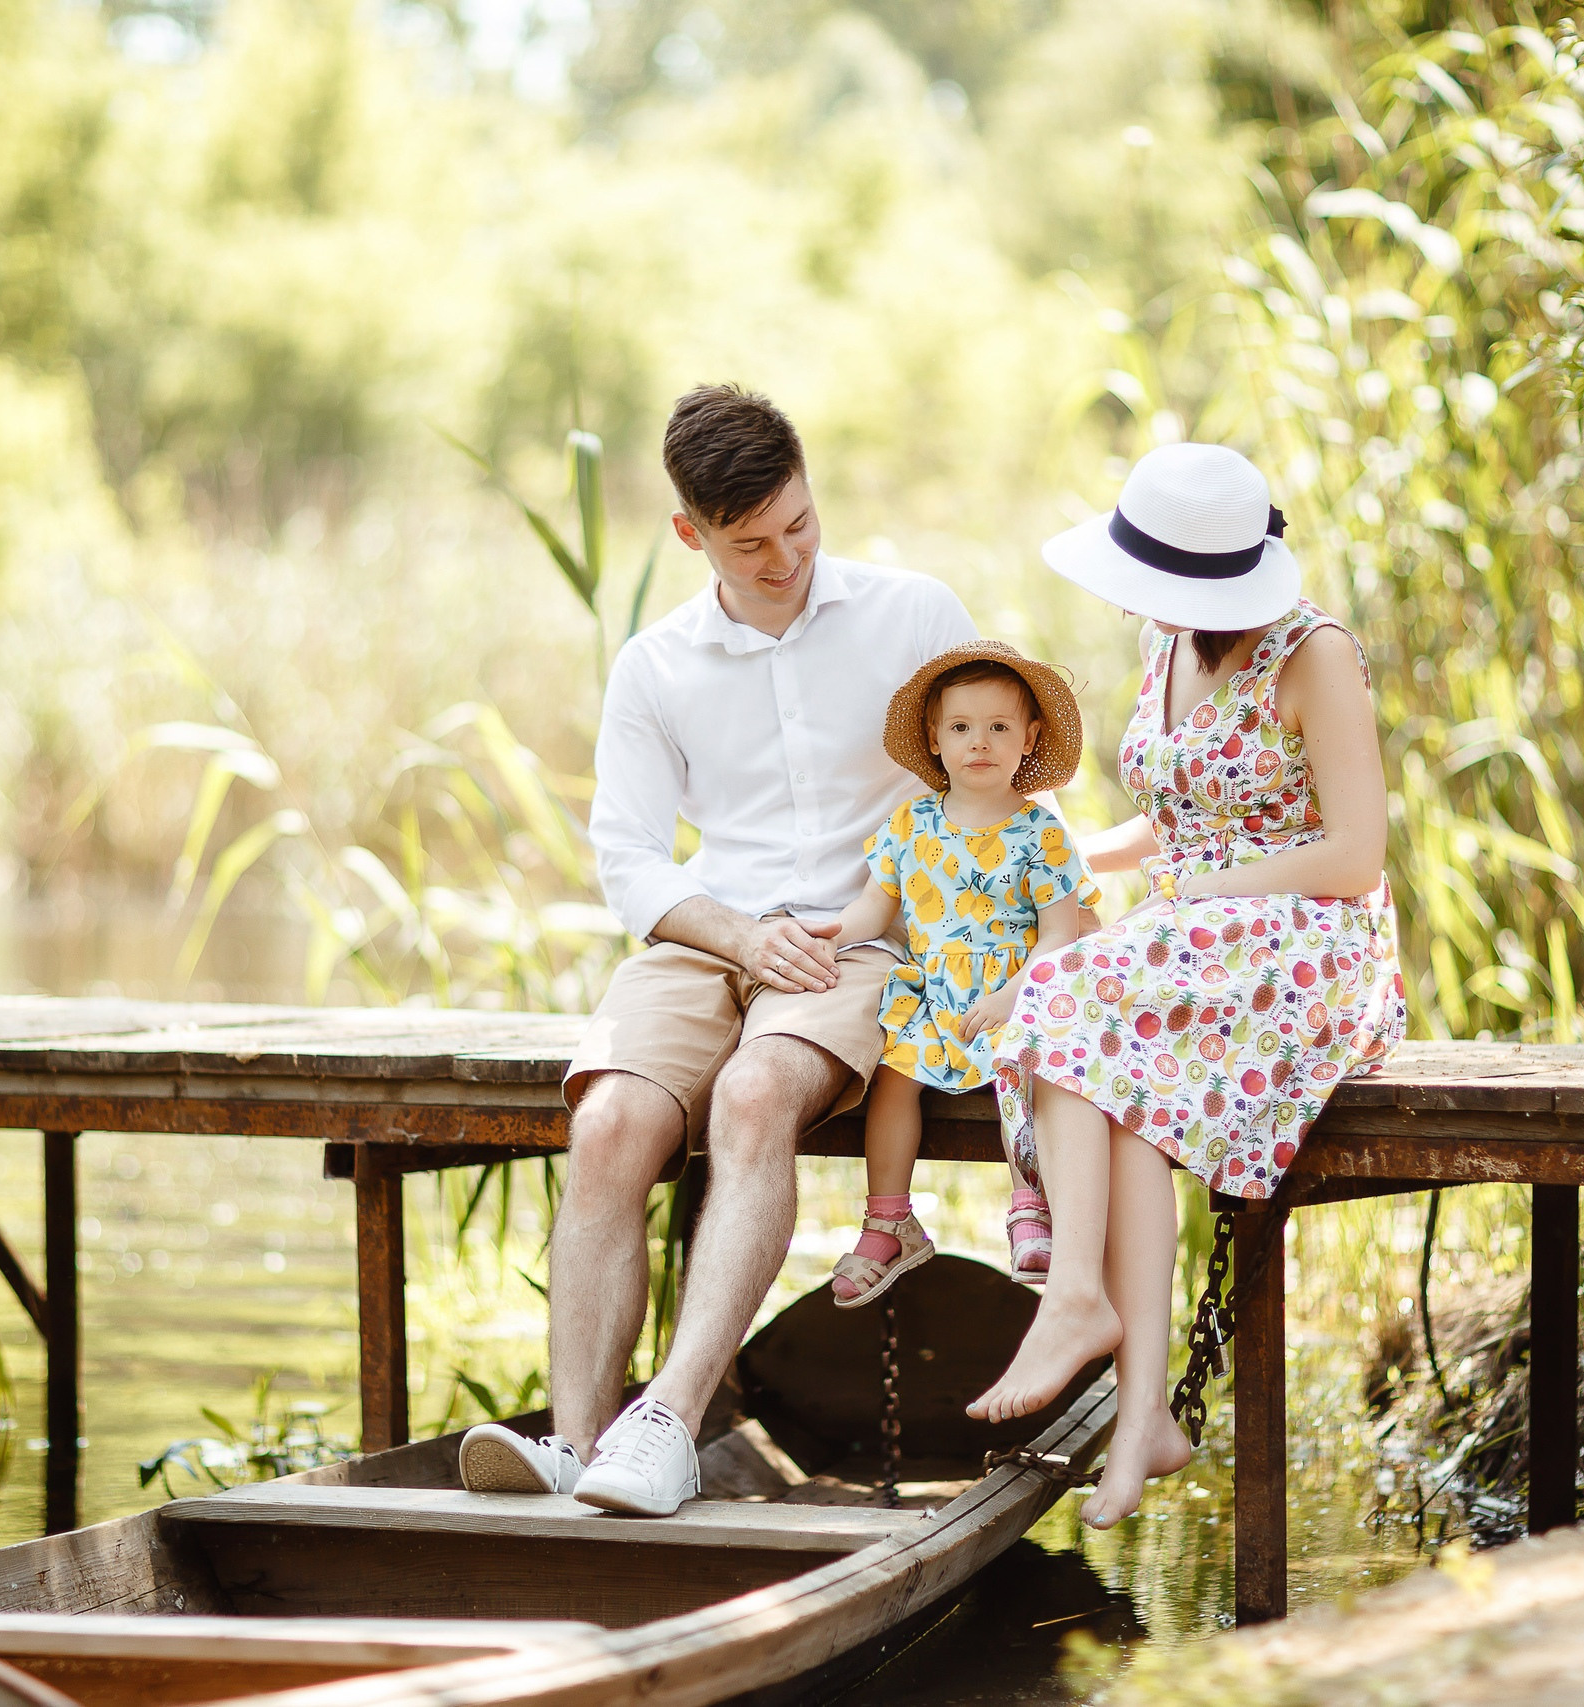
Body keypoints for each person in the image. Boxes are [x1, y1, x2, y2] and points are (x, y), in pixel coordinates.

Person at [459, 384, 977, 1516]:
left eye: (799, 524)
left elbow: (988, 792)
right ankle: (575, 1441)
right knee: (607, 1125)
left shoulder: (914, 613)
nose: (785, 556)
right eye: (750, 543)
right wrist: (738, 934)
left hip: (857, 940)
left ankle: (668, 1424)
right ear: (691, 534)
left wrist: (907, 923)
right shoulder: (654, 665)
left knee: (753, 1097)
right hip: (709, 936)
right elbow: (630, 860)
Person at [967, 442, 1406, 1528]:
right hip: (1203, 939)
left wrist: (1195, 892)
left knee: (1066, 987)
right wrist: (1068, 849)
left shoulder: (1316, 656)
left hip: (1312, 949)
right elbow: (1172, 822)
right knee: (1113, 1088)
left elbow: (1354, 854)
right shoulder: (1174, 644)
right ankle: (1143, 1421)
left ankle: (1076, 1295)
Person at [818, 642, 1098, 1306]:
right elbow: (872, 908)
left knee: (1029, 1065)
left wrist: (1012, 995)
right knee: (893, 1076)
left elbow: (1062, 935)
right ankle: (888, 1218)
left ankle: (1033, 1201)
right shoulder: (911, 825)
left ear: (1029, 739)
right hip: (936, 992)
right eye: (962, 727)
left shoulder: (1041, 835)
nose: (981, 743)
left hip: (1018, 989)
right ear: (935, 738)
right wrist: (826, 933)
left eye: (1000, 727)